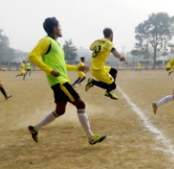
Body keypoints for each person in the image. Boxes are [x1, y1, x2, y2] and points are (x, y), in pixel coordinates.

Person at [27, 17, 106, 145]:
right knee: (81, 104)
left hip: (60, 80)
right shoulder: (46, 41)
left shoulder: (57, 44)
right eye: (59, 26)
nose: (61, 28)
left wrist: (76, 68)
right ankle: (91, 137)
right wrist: (50, 70)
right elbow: (32, 56)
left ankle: (35, 129)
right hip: (60, 81)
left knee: (60, 110)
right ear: (54, 28)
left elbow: (62, 65)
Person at [85, 28, 126, 100]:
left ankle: (108, 91)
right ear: (111, 35)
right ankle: (93, 82)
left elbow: (91, 48)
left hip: (97, 66)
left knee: (114, 71)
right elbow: (114, 51)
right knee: (113, 86)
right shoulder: (108, 43)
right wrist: (120, 57)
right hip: (98, 69)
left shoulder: (97, 41)